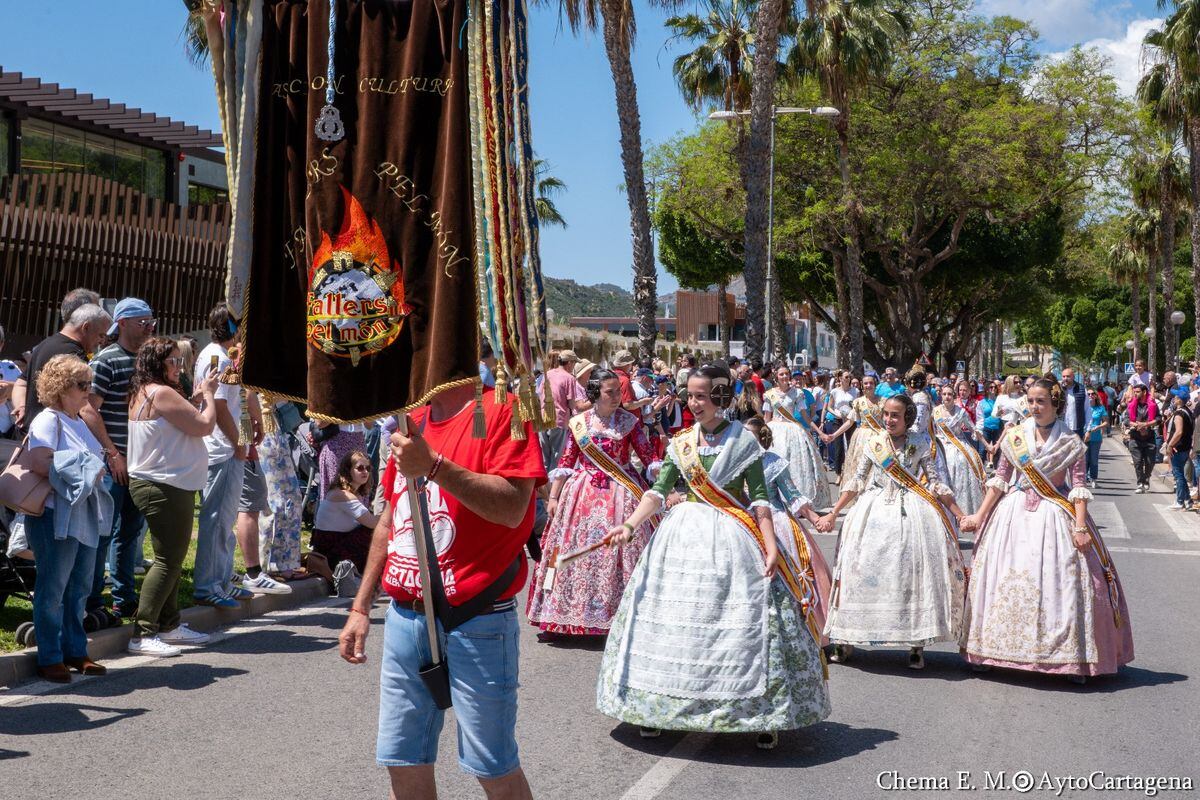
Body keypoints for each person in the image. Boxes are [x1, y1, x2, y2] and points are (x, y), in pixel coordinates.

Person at [595, 364, 830, 751]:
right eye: (690, 395)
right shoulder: (682, 442)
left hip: (734, 539)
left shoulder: (743, 442)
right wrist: (631, 525)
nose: (693, 403)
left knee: (746, 623)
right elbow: (658, 491)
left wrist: (771, 545)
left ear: (721, 398)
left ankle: (760, 713)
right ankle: (655, 709)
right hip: (683, 537)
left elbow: (758, 499)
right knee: (673, 623)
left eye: (701, 396)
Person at [338, 379, 545, 800]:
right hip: (405, 617)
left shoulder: (503, 408)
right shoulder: (410, 421)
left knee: (493, 767)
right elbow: (392, 519)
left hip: (478, 617)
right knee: (402, 759)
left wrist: (434, 466)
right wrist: (361, 606)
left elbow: (512, 508)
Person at [959, 378, 1134, 683]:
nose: (1035, 407)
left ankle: (1071, 658)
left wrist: (1080, 528)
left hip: (1055, 512)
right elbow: (1000, 480)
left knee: (1063, 581)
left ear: (1056, 404)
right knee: (1001, 579)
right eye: (1030, 401)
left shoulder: (1071, 442)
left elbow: (1078, 486)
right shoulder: (1014, 436)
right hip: (1013, 515)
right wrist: (979, 514)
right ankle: (988, 650)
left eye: (1041, 402)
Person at [816, 393, 967, 671]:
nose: (888, 420)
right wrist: (834, 512)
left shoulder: (921, 442)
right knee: (859, 570)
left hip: (911, 512)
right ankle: (847, 637)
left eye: (895, 415)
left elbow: (935, 482)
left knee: (910, 574)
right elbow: (857, 480)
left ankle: (915, 644)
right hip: (872, 510)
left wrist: (959, 514)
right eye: (886, 414)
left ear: (907, 417)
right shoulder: (874, 443)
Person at [527, 369, 659, 637]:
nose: (616, 397)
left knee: (620, 554)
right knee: (566, 549)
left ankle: (619, 616)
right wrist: (553, 497)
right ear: (595, 393)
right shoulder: (579, 423)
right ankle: (565, 614)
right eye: (609, 392)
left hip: (622, 492)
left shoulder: (629, 423)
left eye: (617, 392)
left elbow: (648, 456)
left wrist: (661, 484)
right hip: (581, 495)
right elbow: (566, 461)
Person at [126, 338, 220, 657]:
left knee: (173, 557)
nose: (179, 367)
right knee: (168, 559)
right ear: (156, 364)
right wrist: (208, 395)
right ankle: (143, 632)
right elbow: (204, 426)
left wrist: (194, 398)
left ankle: (169, 624)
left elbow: (180, 424)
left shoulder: (149, 391)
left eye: (180, 361)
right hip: (163, 486)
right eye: (172, 362)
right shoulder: (161, 393)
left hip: (163, 484)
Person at [24, 354, 114, 682]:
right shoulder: (49, 419)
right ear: (61, 388)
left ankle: (75, 651)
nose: (87, 391)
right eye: (81, 385)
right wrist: (84, 470)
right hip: (54, 515)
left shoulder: (77, 420)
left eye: (89, 384)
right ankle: (50, 656)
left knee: (78, 588)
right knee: (53, 588)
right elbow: (37, 461)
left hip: (82, 514)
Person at [84, 297, 156, 622]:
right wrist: (113, 453)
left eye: (152, 322)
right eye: (143, 322)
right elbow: (88, 409)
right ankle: (92, 599)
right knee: (102, 533)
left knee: (129, 532)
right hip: (113, 462)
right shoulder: (106, 360)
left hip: (140, 462)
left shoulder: (146, 361)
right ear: (123, 323)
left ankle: (123, 598)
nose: (149, 328)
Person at [744, 416, 833, 641]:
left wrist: (814, 519)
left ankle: (801, 632)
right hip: (744, 521)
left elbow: (792, 495)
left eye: (749, 436)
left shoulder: (772, 462)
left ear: (760, 439)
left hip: (775, 521)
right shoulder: (734, 461)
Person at [193, 304, 248, 608]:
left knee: (225, 519)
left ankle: (222, 580)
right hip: (220, 448)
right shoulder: (219, 356)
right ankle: (207, 585)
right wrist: (237, 441)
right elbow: (220, 405)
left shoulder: (220, 355)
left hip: (224, 445)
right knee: (216, 520)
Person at [14, 303, 111, 431]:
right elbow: (84, 408)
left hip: (32, 433)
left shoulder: (45, 344)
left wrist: (21, 407)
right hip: (55, 437)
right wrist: (111, 449)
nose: (102, 342)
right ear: (86, 327)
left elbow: (21, 383)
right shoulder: (75, 357)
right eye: (101, 335)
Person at [234, 391, 291, 595]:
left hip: (244, 437)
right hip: (239, 439)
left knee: (257, 502)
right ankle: (254, 573)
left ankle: (229, 571)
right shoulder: (230, 362)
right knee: (253, 505)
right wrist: (259, 419)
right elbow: (248, 393)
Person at [763, 368, 832, 509]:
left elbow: (805, 416)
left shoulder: (797, 393)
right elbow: (766, 417)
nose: (784, 376)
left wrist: (820, 432)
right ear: (776, 376)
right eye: (781, 374)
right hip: (774, 431)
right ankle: (775, 499)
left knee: (795, 466)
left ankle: (796, 502)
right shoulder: (770, 394)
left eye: (786, 374)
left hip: (792, 431)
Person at [311, 450, 379, 575]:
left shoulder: (353, 493)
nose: (365, 472)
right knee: (374, 532)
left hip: (338, 543)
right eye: (360, 468)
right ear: (348, 471)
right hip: (329, 551)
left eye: (368, 468)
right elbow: (372, 523)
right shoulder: (343, 495)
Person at [932, 384, 985, 515]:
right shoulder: (935, 411)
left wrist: (987, 445)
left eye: (949, 394)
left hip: (958, 446)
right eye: (944, 394)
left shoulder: (961, 412)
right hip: (940, 445)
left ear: (954, 396)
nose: (947, 397)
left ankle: (959, 508)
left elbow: (973, 429)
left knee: (960, 463)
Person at [829, 373, 883, 493]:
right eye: (866, 383)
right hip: (862, 437)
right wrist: (834, 435)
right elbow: (849, 422)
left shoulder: (882, 401)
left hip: (878, 437)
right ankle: (857, 493)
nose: (868, 385)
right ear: (862, 386)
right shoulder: (858, 402)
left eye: (871, 383)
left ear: (875, 385)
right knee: (860, 466)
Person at [539, 349, 587, 473]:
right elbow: (572, 404)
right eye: (574, 363)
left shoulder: (547, 374)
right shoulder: (569, 378)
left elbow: (540, 394)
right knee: (556, 458)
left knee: (544, 458)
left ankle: (543, 488)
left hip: (542, 418)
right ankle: (552, 489)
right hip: (559, 420)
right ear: (569, 363)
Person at [1123, 384, 1158, 493]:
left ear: (1144, 392)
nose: (1135, 394)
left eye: (1137, 392)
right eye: (1134, 392)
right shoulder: (1131, 405)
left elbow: (1159, 418)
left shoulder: (1152, 404)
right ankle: (1140, 483)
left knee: (1150, 462)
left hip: (1149, 438)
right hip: (1135, 437)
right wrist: (1136, 425)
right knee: (1137, 462)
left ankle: (1146, 479)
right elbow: (1126, 420)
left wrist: (1146, 425)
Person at [820, 371, 857, 474]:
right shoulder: (834, 392)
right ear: (840, 378)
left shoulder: (855, 391)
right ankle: (838, 473)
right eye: (846, 377)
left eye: (849, 377)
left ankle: (850, 471)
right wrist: (837, 414)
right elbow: (829, 407)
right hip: (837, 420)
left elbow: (857, 406)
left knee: (850, 444)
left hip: (850, 420)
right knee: (838, 446)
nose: (848, 379)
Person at [1164, 388, 1194, 510]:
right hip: (1185, 447)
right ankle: (1188, 500)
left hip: (1178, 448)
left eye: (1175, 397)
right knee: (1180, 474)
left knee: (1178, 475)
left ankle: (1180, 501)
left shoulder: (1179, 414)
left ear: (1179, 400)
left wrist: (1170, 445)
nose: (1173, 398)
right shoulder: (1187, 411)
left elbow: (1179, 432)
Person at [1084, 387, 1108, 488]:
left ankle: (1094, 479)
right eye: (1088, 394)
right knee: (1085, 459)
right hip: (1084, 437)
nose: (1090, 396)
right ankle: (1084, 479)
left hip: (1096, 438)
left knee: (1094, 459)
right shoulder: (1083, 408)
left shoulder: (1100, 408)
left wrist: (1098, 427)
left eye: (1092, 394)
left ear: (1095, 396)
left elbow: (1106, 422)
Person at [976, 380, 1004, 467]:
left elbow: (1002, 414)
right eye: (991, 387)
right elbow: (979, 417)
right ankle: (980, 472)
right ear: (987, 389)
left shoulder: (999, 400)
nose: (993, 389)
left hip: (997, 427)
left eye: (995, 387)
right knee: (982, 451)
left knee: (997, 451)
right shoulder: (981, 402)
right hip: (986, 428)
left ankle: (996, 471)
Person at [1060, 368, 1090, 440]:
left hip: (1077, 430)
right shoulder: (1059, 390)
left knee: (1078, 451)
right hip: (1061, 429)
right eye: (1063, 376)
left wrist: (1088, 430)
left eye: (1068, 376)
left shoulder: (1082, 390)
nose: (1065, 378)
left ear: (1073, 377)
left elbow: (1088, 410)